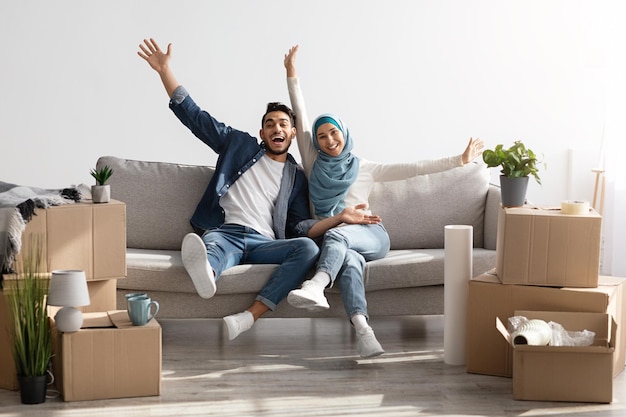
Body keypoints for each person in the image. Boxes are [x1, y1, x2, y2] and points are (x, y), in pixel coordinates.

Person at [283, 45, 484, 358]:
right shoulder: (312, 160)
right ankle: (364, 333)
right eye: (322, 136)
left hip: (371, 234)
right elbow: (301, 113)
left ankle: (316, 285)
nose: (329, 140)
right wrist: (291, 73)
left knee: (337, 234)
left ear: (344, 134)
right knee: (348, 261)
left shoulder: (364, 168)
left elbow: (415, 169)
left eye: (333, 133)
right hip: (336, 237)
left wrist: (459, 160)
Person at [137, 38, 319, 341]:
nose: (277, 128)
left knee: (308, 248)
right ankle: (207, 271)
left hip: (265, 242)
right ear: (261, 133)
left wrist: (334, 222)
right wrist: (164, 71)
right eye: (271, 124)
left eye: (283, 124)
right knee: (214, 248)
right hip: (227, 232)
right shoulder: (239, 144)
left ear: (292, 132)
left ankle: (249, 316)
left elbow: (297, 225)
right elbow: (196, 118)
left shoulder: (296, 177)